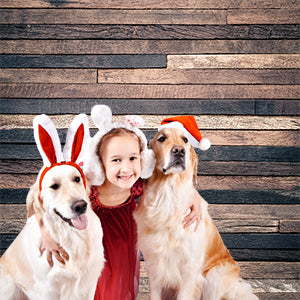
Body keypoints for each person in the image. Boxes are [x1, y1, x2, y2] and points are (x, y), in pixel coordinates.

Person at [32, 105, 205, 299]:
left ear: (143, 160)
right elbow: (38, 199)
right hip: (93, 244)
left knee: (120, 290)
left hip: (124, 243)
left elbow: (169, 183)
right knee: (93, 288)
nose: (126, 168)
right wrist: (45, 231)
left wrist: (194, 196)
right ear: (99, 164)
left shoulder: (139, 183)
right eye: (116, 160)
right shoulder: (85, 186)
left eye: (133, 158)